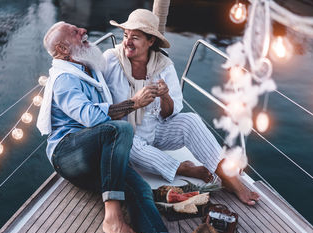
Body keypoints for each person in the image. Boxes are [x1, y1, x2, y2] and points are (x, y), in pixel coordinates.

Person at [36, 21, 204, 233]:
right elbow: (91, 117)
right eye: (75, 32)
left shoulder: (87, 68)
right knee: (120, 130)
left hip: (96, 151)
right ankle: (112, 217)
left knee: (140, 189)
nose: (83, 30)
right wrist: (133, 103)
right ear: (62, 49)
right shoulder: (64, 79)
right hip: (68, 153)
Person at [103, 9, 260, 206]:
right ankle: (182, 168)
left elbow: (171, 113)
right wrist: (135, 102)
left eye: (135, 37)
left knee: (190, 120)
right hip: (127, 133)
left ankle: (230, 178)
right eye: (125, 35)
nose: (127, 42)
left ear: (151, 41)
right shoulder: (110, 60)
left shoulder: (163, 65)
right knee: (127, 142)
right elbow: (100, 108)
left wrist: (165, 96)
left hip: (155, 129)